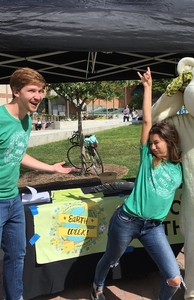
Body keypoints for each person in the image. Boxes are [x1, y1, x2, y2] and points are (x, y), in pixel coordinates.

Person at [91, 67, 184, 300]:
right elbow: (147, 122)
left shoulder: (180, 168)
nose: (153, 146)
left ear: (170, 142)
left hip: (153, 228)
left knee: (174, 279)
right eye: (151, 143)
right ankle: (97, 287)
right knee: (110, 259)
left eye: (157, 142)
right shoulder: (147, 158)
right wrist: (147, 87)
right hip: (126, 220)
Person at [0, 67, 74, 300]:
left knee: (17, 254)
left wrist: (51, 168)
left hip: (12, 198)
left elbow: (18, 153)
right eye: (31, 90)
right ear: (15, 92)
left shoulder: (27, 120)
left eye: (40, 91)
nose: (38, 96)